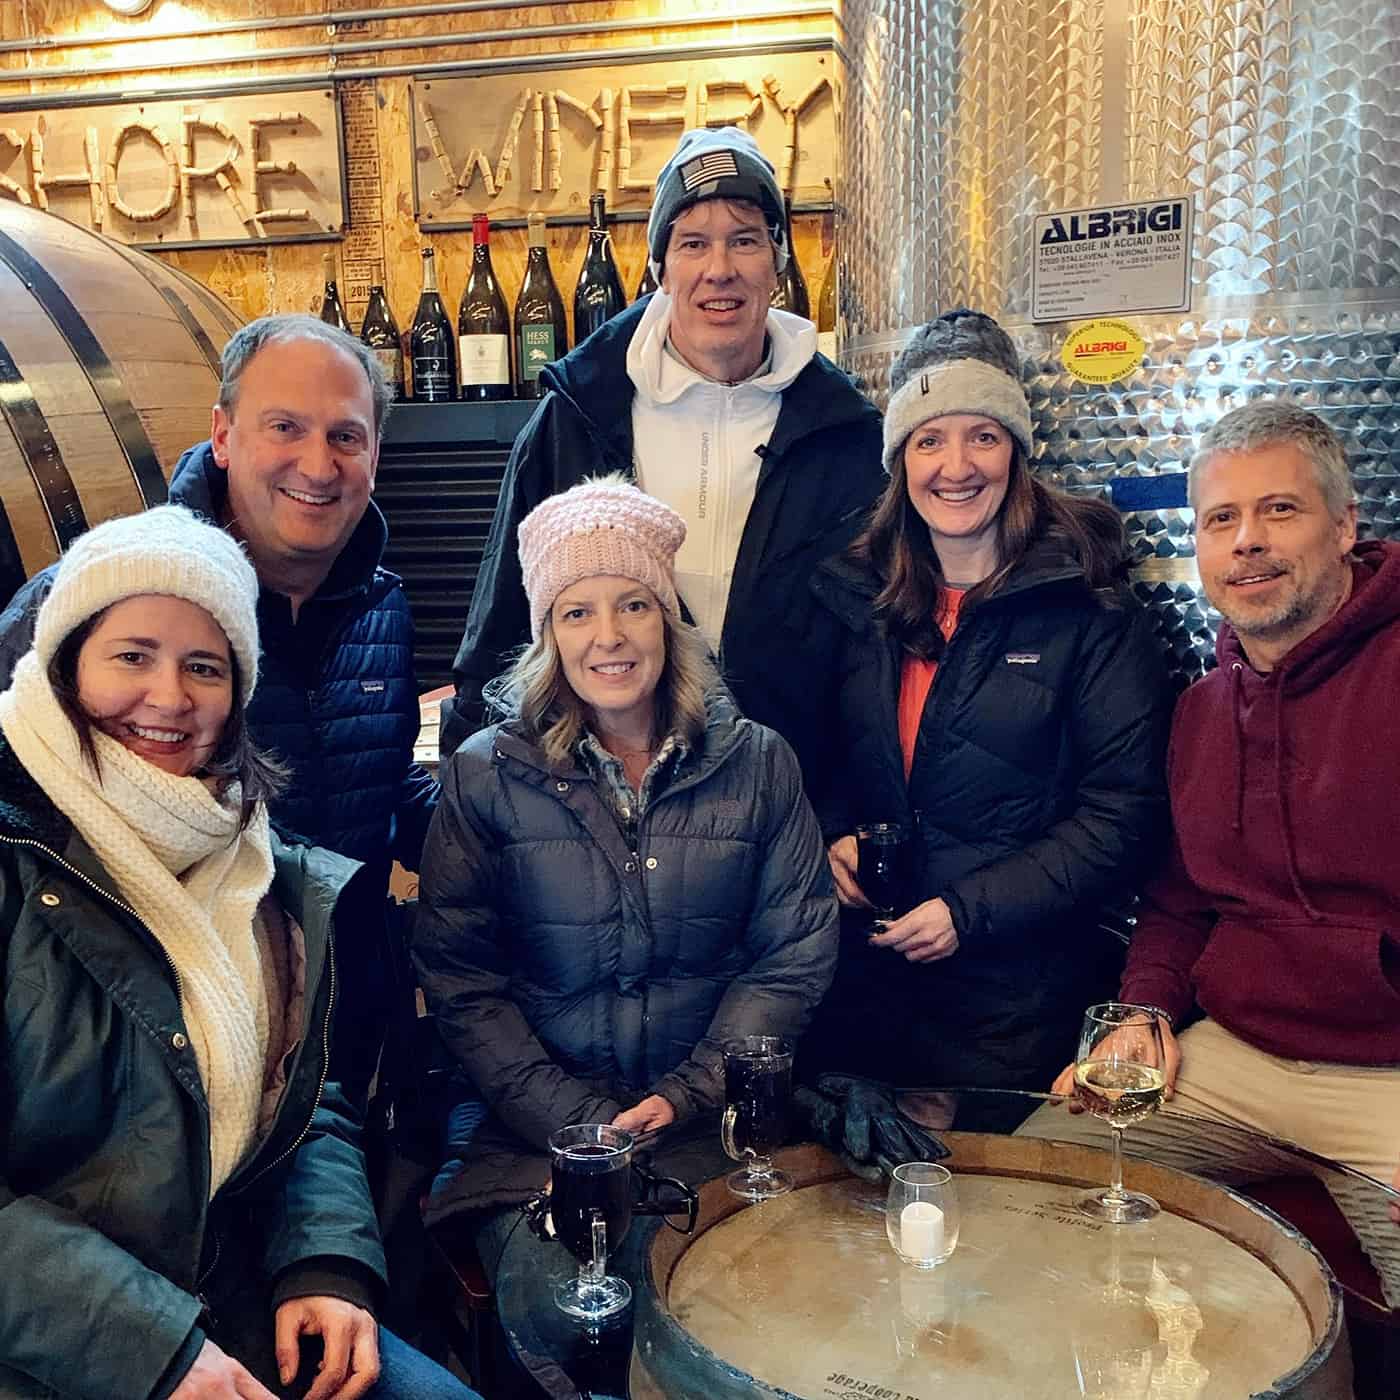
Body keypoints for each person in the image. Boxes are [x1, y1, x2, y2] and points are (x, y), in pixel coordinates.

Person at [0, 507, 479, 1400]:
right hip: (53, 1346)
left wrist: (327, 1266)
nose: (171, 697)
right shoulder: (16, 861)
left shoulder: (257, 865)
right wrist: (156, 1350)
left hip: (234, 1295)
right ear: (66, 663)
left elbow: (303, 1097)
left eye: (204, 666)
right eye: (133, 654)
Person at [0, 315, 437, 1097]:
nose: (318, 463)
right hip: (157, 1061)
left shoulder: (384, 606)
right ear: (224, 434)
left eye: (347, 435)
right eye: (285, 427)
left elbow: (377, 773)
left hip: (345, 1030)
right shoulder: (107, 603)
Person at [412, 476, 838, 1264]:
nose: (608, 635)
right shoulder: (484, 774)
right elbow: (461, 978)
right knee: (568, 1318)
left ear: (669, 621)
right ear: (549, 635)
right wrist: (576, 1119)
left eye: (633, 604)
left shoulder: (759, 763)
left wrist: (685, 1096)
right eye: (577, 611)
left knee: (748, 1304)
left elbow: (789, 960)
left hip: (716, 1129)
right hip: (535, 1138)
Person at [1038, 401, 1400, 1304]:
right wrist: (1145, 1016)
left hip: (1387, 1074)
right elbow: (1178, 901)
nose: (1247, 543)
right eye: (1221, 520)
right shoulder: (1204, 709)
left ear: (1347, 526)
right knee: (1038, 1185)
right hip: (1234, 1057)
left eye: (1280, 510)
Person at [440, 126, 885, 782]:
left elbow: (874, 653)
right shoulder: (577, 415)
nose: (720, 270)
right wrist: (468, 791)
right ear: (657, 268)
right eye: (693, 244)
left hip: (791, 801)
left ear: (779, 260)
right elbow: (504, 618)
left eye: (745, 240)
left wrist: (860, 817)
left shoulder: (845, 434)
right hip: (595, 806)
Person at [804, 308, 1171, 1093]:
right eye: (929, 440)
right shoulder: (857, 597)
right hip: (871, 990)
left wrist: (969, 912)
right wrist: (834, 831)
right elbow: (824, 752)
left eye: (984, 435)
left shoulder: (1089, 606)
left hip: (1020, 1002)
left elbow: (1123, 814)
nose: (956, 465)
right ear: (900, 461)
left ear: (1017, 451)